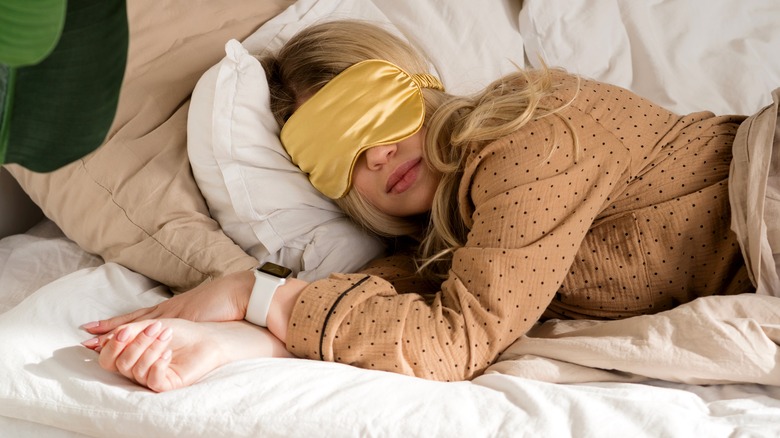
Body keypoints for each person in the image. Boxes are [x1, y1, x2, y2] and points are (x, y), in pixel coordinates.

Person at [80, 20, 758, 392]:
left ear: (419, 85)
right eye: (340, 156)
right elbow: (379, 311)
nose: (375, 154)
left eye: (378, 114)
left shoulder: (533, 134)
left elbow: (451, 344)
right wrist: (237, 344)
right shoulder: (450, 245)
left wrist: (245, 293)